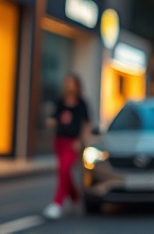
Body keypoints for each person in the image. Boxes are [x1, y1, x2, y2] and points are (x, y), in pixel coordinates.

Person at [43, 73, 91, 219]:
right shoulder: (60, 101)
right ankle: (75, 197)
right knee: (64, 172)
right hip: (60, 141)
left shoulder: (82, 104)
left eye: (71, 83)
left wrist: (81, 141)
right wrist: (50, 121)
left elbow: (86, 124)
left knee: (64, 170)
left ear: (76, 85)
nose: (68, 86)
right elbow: (53, 117)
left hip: (73, 143)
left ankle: (57, 204)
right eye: (66, 83)